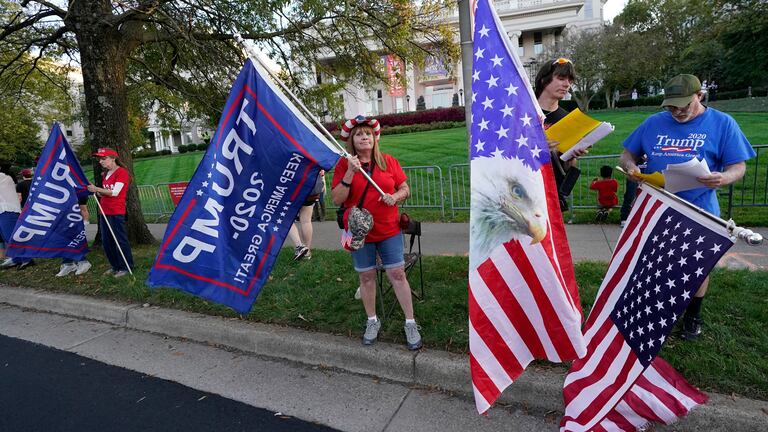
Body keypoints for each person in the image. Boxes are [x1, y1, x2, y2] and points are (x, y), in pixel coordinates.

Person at [620, 74, 756, 341]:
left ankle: (693, 315)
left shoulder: (722, 123)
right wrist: (630, 167)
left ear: (700, 96)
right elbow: (627, 154)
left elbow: (738, 166)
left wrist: (723, 178)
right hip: (657, 206)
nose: (677, 111)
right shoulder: (654, 123)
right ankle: (656, 311)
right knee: (655, 263)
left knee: (696, 267)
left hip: (700, 210)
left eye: (684, 105)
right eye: (671, 106)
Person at [331, 115, 422, 350]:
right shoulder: (344, 165)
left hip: (388, 229)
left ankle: (410, 322)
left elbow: (405, 188)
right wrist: (350, 173)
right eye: (359, 134)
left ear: (374, 139)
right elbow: (336, 198)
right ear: (352, 140)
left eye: (368, 134)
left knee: (398, 274)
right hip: (360, 233)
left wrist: (395, 196)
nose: (364, 137)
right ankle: (372, 320)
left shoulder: (387, 162)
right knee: (366, 277)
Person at [534, 57, 588, 211]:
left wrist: (571, 155)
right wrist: (537, 148)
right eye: (561, 78)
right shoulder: (523, 113)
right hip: (523, 194)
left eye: (570, 80)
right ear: (544, 80)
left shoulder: (568, 119)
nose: (567, 84)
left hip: (553, 197)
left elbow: (567, 166)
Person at [87, 148, 134, 278]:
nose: (101, 161)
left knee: (119, 240)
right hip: (104, 211)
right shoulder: (106, 174)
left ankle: (126, 267)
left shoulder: (122, 172)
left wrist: (97, 188)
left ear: (113, 158)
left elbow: (115, 192)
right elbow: (105, 192)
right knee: (107, 241)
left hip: (116, 211)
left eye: (103, 158)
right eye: (100, 159)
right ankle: (115, 266)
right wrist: (97, 191)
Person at [0, 164, 34, 270]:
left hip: (8, 210)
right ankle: (16, 258)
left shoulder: (5, 178)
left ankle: (27, 259)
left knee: (11, 235)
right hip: (2, 211)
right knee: (5, 236)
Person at [288, 170, 325, 261]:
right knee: (306, 221)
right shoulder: (316, 155)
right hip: (311, 189)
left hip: (294, 187)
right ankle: (307, 252)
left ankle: (300, 246)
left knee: (286, 219)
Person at [56, 194, 92, 277]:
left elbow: (83, 209)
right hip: (63, 220)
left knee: (74, 241)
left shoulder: (80, 193)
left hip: (75, 222)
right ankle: (68, 263)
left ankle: (83, 261)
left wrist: (85, 222)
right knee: (63, 241)